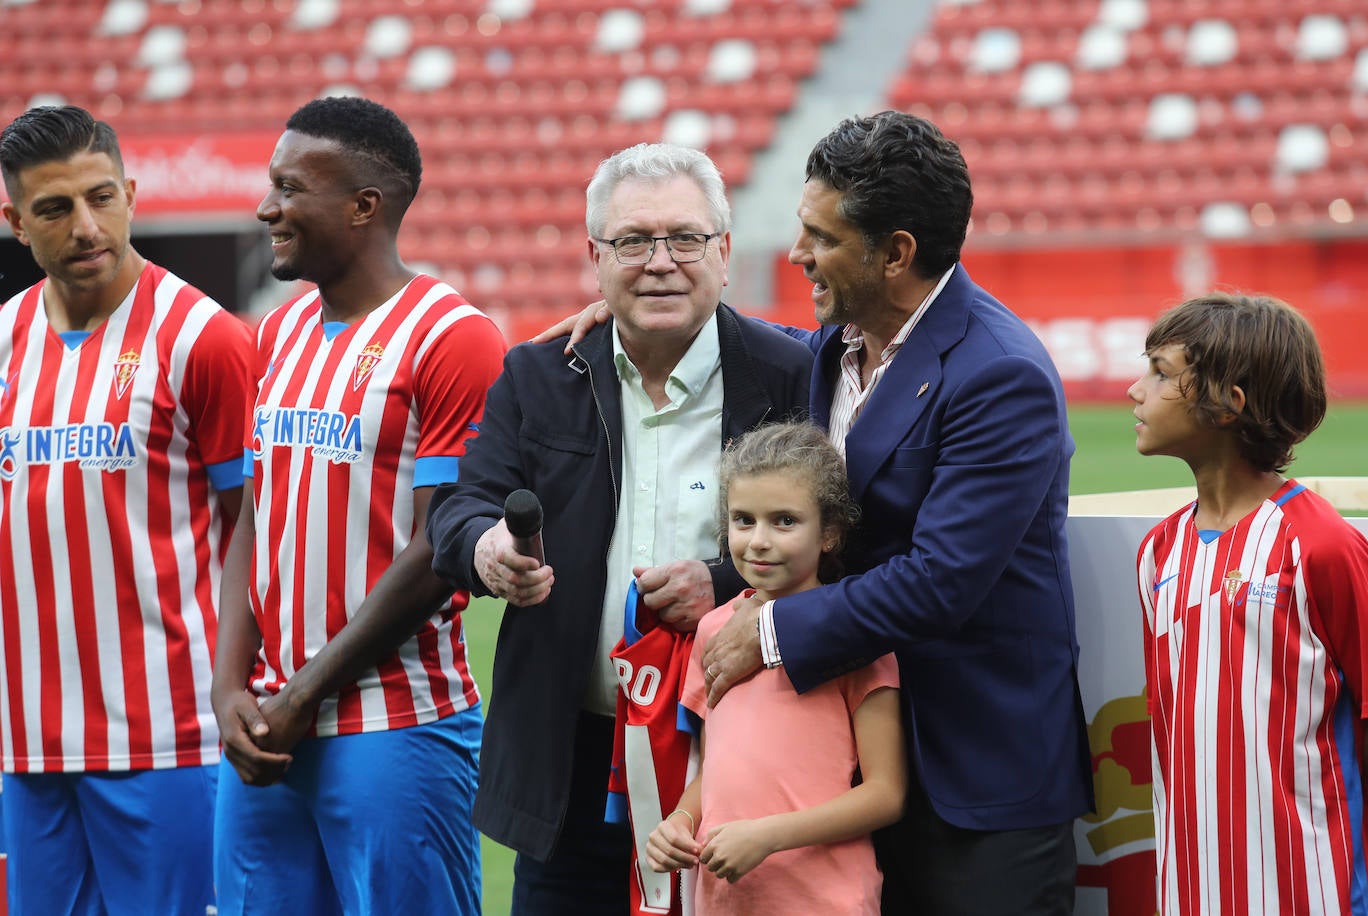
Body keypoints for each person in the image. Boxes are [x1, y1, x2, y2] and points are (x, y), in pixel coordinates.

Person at [686, 111, 1095, 914]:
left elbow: (941, 582)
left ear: (896, 252)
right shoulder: (833, 346)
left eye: (820, 236)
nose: (798, 253)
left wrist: (766, 634)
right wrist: (624, 320)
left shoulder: (999, 374)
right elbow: (746, 339)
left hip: (974, 782)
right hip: (850, 778)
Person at [425, 142, 813, 914]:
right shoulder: (538, 376)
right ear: (596, 257)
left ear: (725, 252)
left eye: (686, 239)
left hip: (738, 752)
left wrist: (727, 581)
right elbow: (459, 511)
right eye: (633, 242)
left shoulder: (791, 373)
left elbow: (841, 538)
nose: (660, 261)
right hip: (572, 765)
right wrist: (489, 550)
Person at [210, 96, 506, 915]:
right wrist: (230, 686)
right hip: (267, 730)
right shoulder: (273, 335)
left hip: (394, 727)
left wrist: (305, 691)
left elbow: (438, 545)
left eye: (290, 187)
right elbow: (253, 522)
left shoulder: (452, 336)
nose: (268, 207)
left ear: (363, 205)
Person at [0, 105, 253, 915]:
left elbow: (255, 522)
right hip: (26, 742)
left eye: (101, 198)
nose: (84, 226)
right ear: (14, 223)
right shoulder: (2, 342)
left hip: (169, 738)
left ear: (132, 194)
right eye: (54, 209)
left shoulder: (201, 339)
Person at [1130, 293, 1368, 916]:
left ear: (1227, 404)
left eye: (1161, 372)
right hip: (1189, 884)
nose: (1136, 390)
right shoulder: (1159, 552)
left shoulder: (1320, 545)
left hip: (1310, 885)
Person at [645, 421, 906, 913]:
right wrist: (680, 819)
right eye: (744, 520)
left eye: (784, 521)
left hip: (824, 900)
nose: (758, 541)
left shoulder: (857, 639)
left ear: (829, 532)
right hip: (726, 899)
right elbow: (716, 767)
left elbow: (885, 794)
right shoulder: (713, 630)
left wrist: (768, 836)